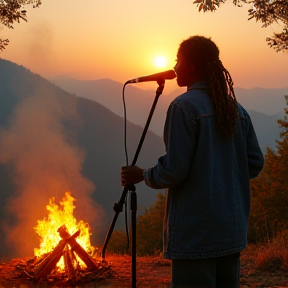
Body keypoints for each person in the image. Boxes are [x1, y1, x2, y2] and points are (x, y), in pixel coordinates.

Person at [121, 35, 264, 288]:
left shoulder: (183, 107)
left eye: (178, 61)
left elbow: (174, 170)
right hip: (231, 230)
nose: (175, 67)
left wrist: (142, 174)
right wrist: (223, 174)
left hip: (196, 234)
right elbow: (254, 163)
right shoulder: (236, 109)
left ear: (191, 66)